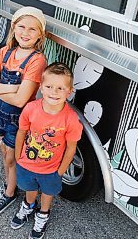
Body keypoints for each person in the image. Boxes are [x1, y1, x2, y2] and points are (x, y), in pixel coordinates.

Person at [0, 6, 47, 218]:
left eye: (32, 29)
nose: (25, 33)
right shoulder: (5, 52)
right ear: (14, 27)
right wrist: (12, 87)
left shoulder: (37, 60)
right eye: (22, 26)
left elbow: (20, 101)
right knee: (4, 154)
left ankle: (9, 194)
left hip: (18, 120)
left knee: (12, 158)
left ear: (40, 35)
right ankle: (9, 183)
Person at [10, 62, 83, 239]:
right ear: (41, 87)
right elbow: (21, 132)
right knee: (30, 188)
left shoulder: (71, 120)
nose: (54, 92)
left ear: (70, 91)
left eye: (60, 88)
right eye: (49, 86)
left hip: (52, 169)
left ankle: (43, 214)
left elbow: (71, 148)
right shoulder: (31, 108)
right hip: (26, 163)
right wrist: (18, 157)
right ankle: (28, 205)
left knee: (48, 194)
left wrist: (60, 170)